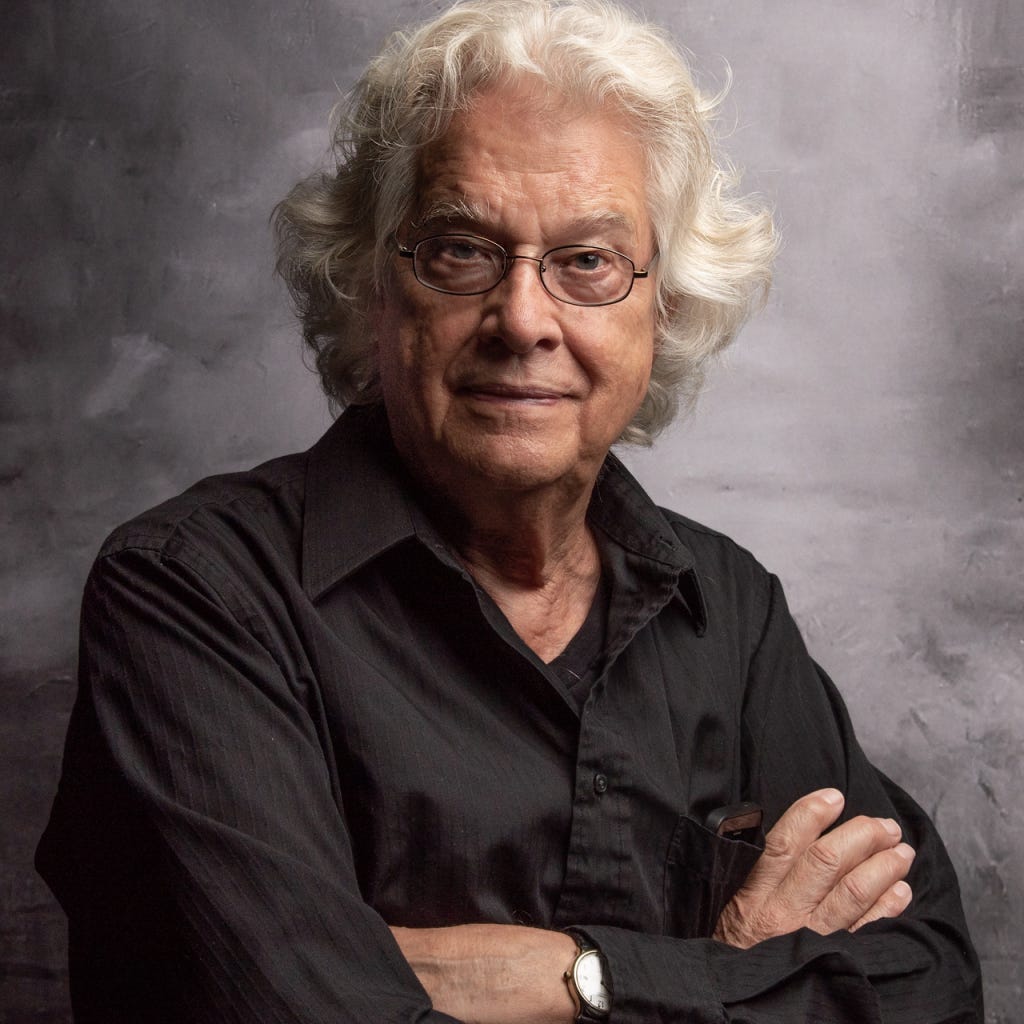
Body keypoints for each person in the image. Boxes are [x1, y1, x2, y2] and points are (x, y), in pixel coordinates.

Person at [37, 1, 982, 1021]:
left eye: (588, 261)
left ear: (662, 309)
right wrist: (739, 970)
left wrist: (577, 977)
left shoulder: (731, 612)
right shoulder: (194, 594)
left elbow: (932, 985)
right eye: (460, 249)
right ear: (370, 285)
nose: (523, 319)